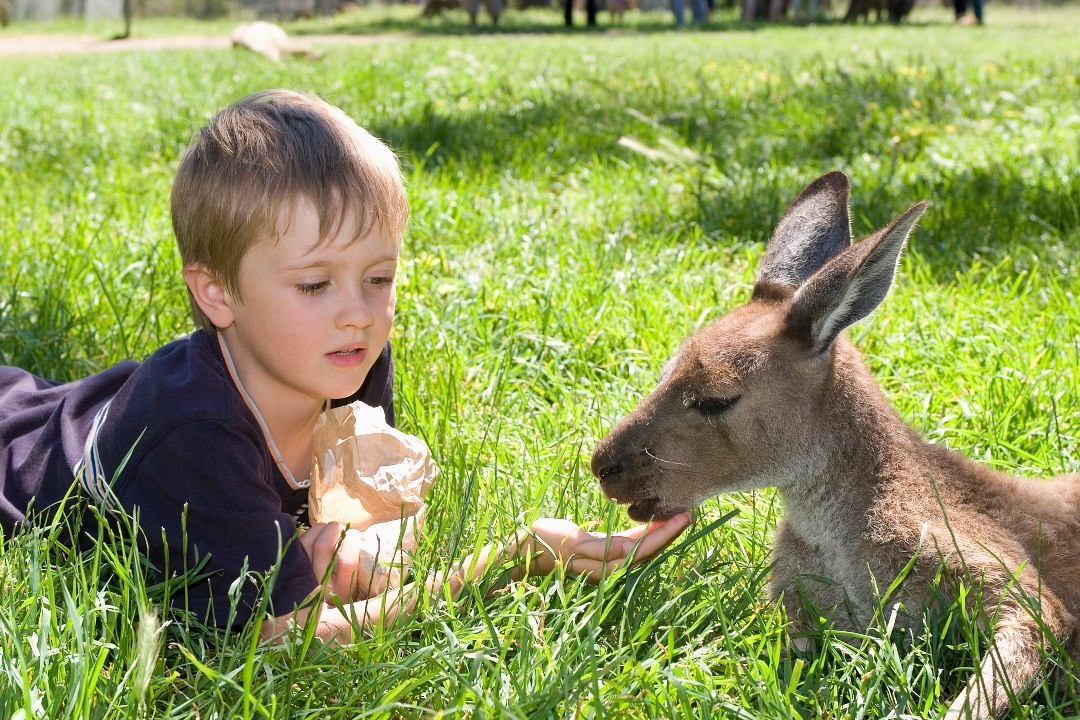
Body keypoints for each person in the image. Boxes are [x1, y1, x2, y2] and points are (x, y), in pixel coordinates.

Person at [0, 89, 691, 643]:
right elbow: (279, 643)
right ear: (216, 292)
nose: (358, 313)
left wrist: (366, 547)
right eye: (313, 285)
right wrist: (514, 559)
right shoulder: (195, 435)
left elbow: (379, 506)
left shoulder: (347, 359)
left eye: (379, 278)